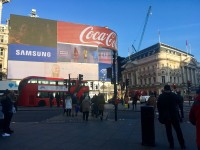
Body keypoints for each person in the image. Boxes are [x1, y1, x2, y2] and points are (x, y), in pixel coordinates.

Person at [157, 85, 186, 149]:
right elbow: (179, 101)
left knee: (168, 131)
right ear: (170, 89)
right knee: (178, 130)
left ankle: (171, 144)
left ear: (164, 89)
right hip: (174, 115)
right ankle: (182, 144)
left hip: (166, 116)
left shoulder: (161, 96)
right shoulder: (174, 95)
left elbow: (159, 107)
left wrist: (161, 116)